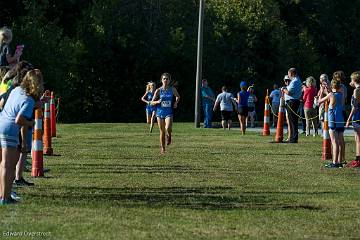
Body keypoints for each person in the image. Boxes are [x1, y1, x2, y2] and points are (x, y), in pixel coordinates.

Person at [0, 69, 44, 204]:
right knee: (9, 166)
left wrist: (37, 104)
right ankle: (6, 198)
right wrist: (31, 122)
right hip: (10, 131)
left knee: (2, 165)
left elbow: (17, 105)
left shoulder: (17, 90)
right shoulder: (29, 100)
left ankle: (2, 195)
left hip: (1, 123)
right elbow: (19, 119)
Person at [318, 79, 345, 168]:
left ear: (332, 86)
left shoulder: (330, 95)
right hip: (340, 120)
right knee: (339, 141)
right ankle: (340, 161)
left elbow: (319, 101)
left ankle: (335, 162)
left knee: (334, 142)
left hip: (333, 121)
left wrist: (322, 91)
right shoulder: (341, 95)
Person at [151, 73, 180, 154]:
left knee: (168, 128)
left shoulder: (172, 89)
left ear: (169, 80)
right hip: (160, 112)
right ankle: (163, 149)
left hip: (169, 112)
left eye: (167, 79)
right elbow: (151, 102)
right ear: (161, 80)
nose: (165, 80)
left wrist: (176, 102)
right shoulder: (158, 91)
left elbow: (178, 96)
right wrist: (157, 101)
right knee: (162, 131)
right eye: (164, 79)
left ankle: (169, 135)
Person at [281, 68, 302, 143]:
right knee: (292, 120)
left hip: (292, 102)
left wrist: (283, 89)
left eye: (289, 74)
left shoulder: (295, 81)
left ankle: (294, 138)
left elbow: (289, 92)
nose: (288, 76)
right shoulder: (295, 81)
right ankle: (292, 137)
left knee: (292, 120)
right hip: (292, 101)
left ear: (292, 73)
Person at [345, 71, 360, 168]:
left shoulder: (356, 91)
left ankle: (358, 160)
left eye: (351, 79)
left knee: (358, 139)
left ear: (354, 80)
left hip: (357, 116)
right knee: (357, 139)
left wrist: (348, 119)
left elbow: (354, 107)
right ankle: (357, 158)